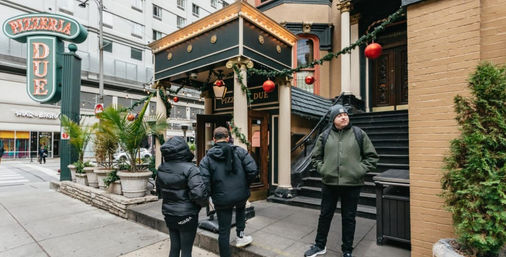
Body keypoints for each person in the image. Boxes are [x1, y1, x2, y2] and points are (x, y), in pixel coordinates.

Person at [304, 105, 379, 257]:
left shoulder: (359, 134)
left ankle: (347, 250)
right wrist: (323, 169)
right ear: (333, 120)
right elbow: (315, 158)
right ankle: (319, 246)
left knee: (349, 218)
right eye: (339, 115)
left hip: (352, 185)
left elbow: (372, 157)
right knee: (325, 215)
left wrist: (358, 170)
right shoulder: (324, 136)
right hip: (329, 184)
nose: (344, 117)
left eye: (345, 114)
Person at [199, 127, 258, 257]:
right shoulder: (240, 151)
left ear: (214, 139)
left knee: (224, 231)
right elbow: (253, 170)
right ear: (228, 138)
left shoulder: (206, 159)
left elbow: (204, 182)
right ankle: (240, 236)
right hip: (241, 193)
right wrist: (245, 183)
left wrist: (211, 195)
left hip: (222, 199)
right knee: (241, 210)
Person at [156, 136, 208, 257]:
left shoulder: (161, 168)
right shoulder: (191, 169)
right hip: (187, 214)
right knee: (186, 250)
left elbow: (159, 191)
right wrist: (200, 205)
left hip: (169, 213)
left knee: (174, 247)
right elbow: (200, 194)